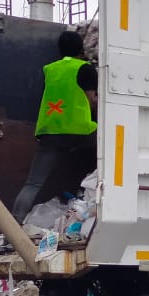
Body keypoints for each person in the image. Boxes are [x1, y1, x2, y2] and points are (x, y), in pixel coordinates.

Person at [9, 30, 99, 222]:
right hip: (81, 131)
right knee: (109, 153)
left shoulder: (49, 70)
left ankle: (13, 225)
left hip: (50, 132)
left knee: (33, 184)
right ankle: (92, 203)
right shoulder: (85, 68)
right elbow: (92, 100)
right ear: (81, 49)